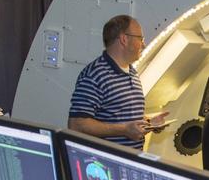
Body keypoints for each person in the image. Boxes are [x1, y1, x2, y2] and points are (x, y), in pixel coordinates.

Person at [68, 15, 167, 150]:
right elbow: (76, 125)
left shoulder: (132, 72)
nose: (143, 45)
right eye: (140, 39)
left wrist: (149, 122)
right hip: (106, 160)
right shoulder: (95, 75)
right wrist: (124, 130)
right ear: (124, 39)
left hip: (131, 158)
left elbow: (119, 115)